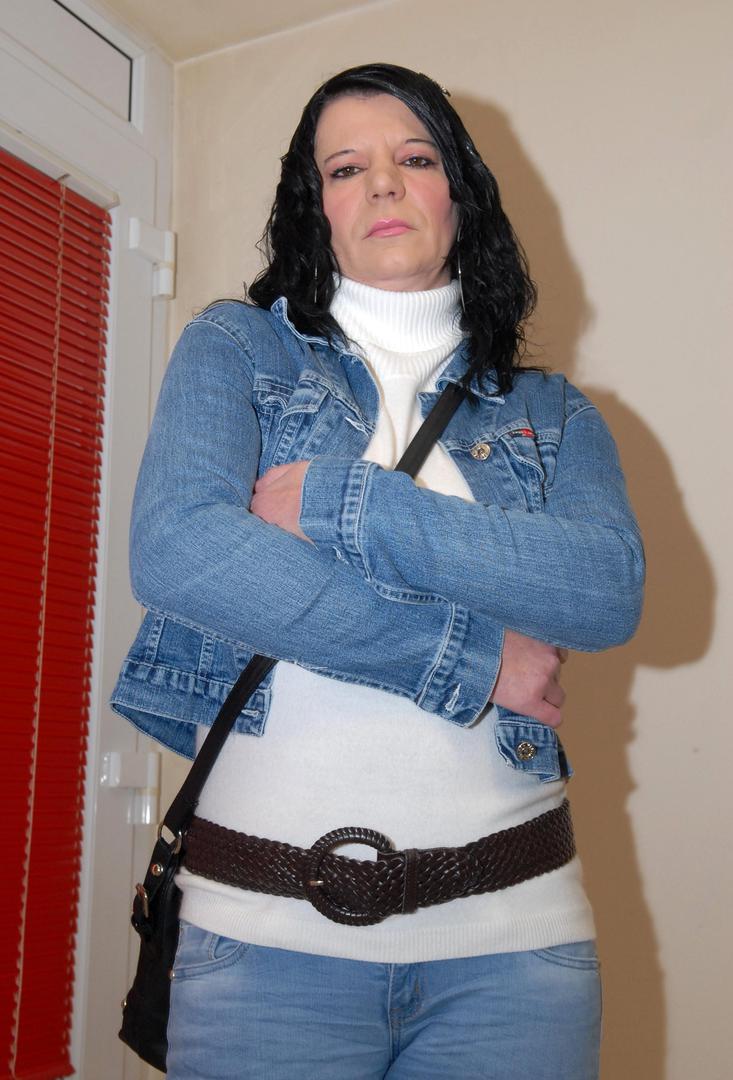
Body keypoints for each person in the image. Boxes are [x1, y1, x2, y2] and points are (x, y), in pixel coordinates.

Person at [111, 63, 644, 1079]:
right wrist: (470, 660)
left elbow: (604, 591)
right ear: (315, 209)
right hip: (259, 950)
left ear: (460, 195)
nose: (384, 183)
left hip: (516, 956)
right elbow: (179, 547)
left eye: (415, 158)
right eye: (346, 168)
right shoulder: (239, 351)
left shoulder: (551, 412)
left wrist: (343, 502)